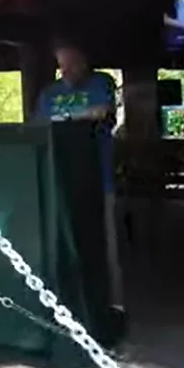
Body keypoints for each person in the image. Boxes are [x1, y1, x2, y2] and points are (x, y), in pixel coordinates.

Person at [34, 38, 124, 311]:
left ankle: (113, 305)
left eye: (71, 64)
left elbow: (102, 112)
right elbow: (37, 127)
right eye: (61, 65)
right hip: (59, 181)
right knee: (66, 243)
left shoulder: (100, 83)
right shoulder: (49, 94)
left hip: (98, 179)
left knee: (104, 245)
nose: (66, 71)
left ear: (84, 61)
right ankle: (70, 304)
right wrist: (79, 117)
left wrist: (66, 119)